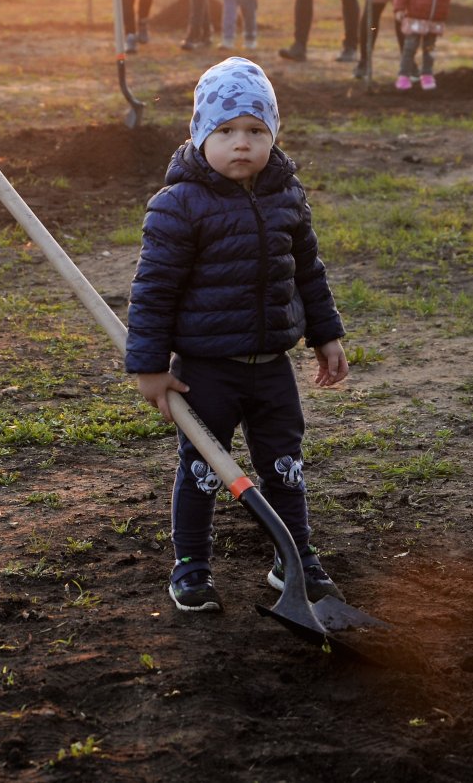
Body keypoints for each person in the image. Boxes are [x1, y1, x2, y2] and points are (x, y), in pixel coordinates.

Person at [124, 58, 350, 612]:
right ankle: (192, 565)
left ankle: (293, 558)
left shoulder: (287, 197)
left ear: (273, 135)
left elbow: (307, 272)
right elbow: (153, 291)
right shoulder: (179, 205)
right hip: (206, 370)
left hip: (272, 364)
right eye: (225, 131)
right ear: (200, 136)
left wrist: (326, 334)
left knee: (284, 465)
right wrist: (150, 366)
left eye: (255, 131)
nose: (241, 144)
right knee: (202, 470)